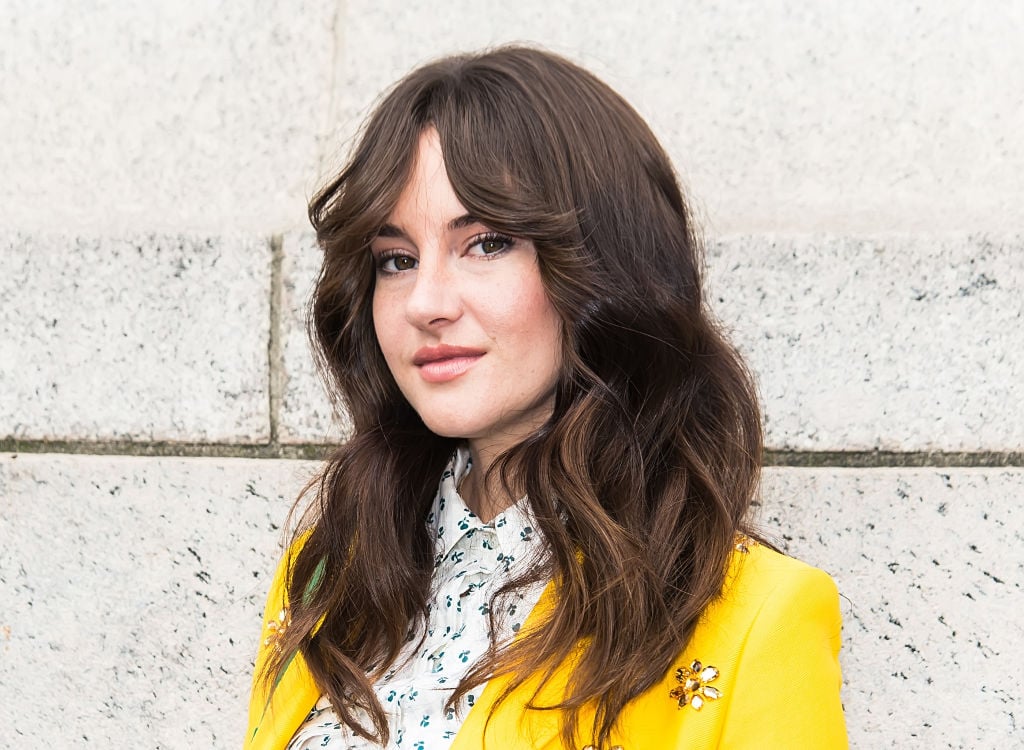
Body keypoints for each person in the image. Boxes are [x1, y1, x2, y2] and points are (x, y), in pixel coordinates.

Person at [245, 46, 846, 750]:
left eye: (488, 243)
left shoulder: (755, 618)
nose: (427, 303)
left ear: (604, 268)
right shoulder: (330, 577)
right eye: (396, 260)